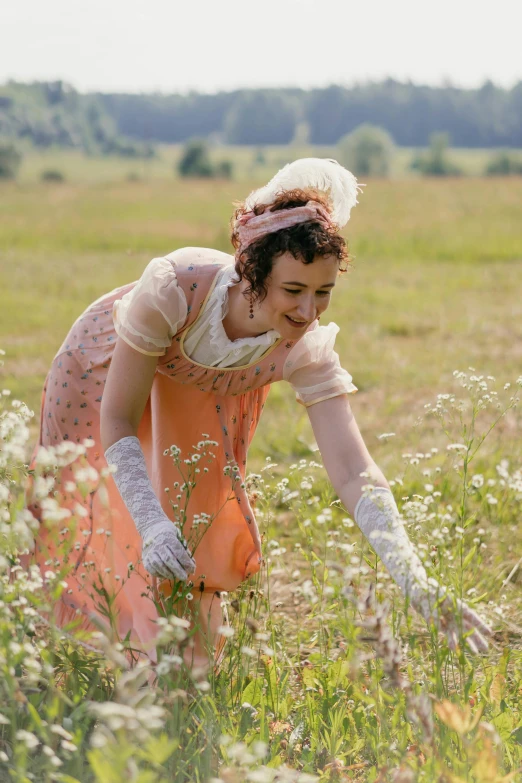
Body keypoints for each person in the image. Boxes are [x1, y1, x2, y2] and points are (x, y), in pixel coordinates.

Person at [31, 158, 492, 671]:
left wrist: (413, 576)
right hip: (106, 373)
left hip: (200, 404)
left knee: (192, 533)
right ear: (252, 274)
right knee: (92, 506)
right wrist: (150, 524)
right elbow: (116, 417)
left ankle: (169, 659)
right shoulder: (172, 289)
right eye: (293, 291)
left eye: (323, 293)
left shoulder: (306, 347)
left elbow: (354, 470)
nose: (307, 311)